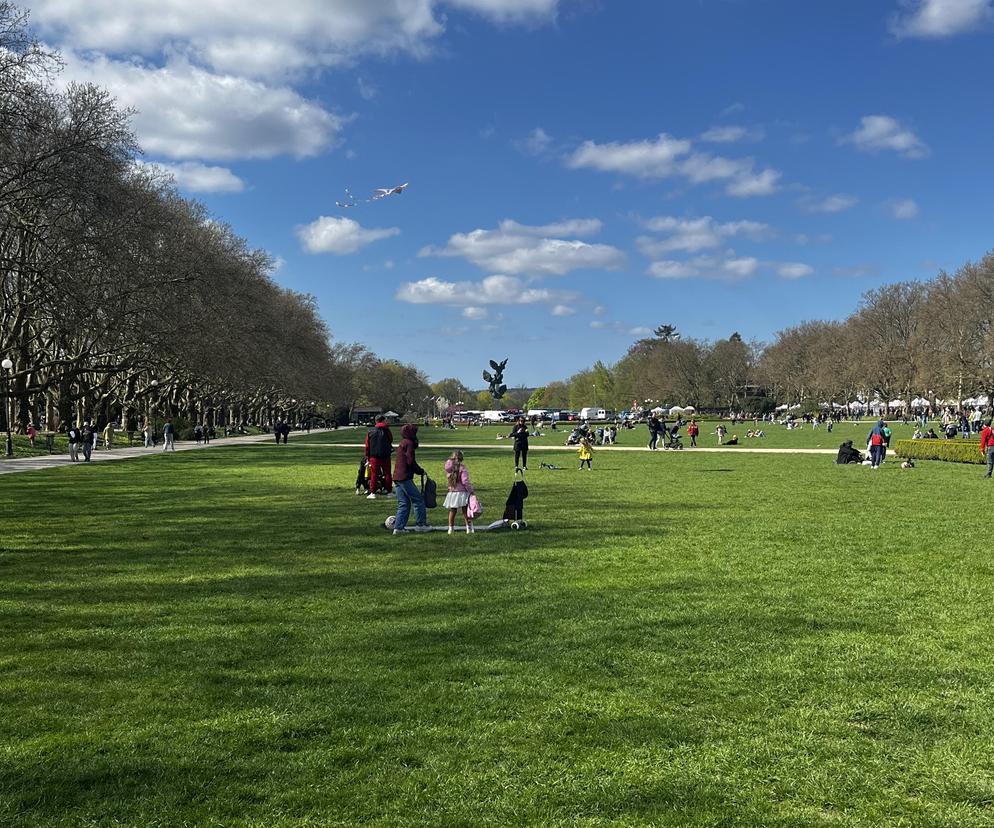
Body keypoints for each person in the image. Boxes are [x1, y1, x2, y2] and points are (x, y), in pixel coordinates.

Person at [392, 424, 430, 534]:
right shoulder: (409, 444)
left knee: (403, 503)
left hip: (397, 476)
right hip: (405, 477)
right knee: (418, 500)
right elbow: (410, 461)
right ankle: (421, 524)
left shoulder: (402, 442)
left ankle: (398, 528)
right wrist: (420, 471)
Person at [443, 450, 475, 534]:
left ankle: (450, 528)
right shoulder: (462, 468)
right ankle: (468, 528)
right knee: (465, 511)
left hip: (452, 492)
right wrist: (471, 490)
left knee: (452, 511)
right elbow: (465, 482)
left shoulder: (449, 469)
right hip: (462, 493)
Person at [364, 415, 394, 500]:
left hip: (374, 456)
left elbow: (367, 446)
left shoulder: (370, 431)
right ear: (383, 421)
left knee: (374, 474)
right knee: (387, 473)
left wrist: (367, 456)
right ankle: (389, 491)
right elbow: (391, 439)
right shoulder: (387, 430)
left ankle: (373, 492)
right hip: (385, 455)